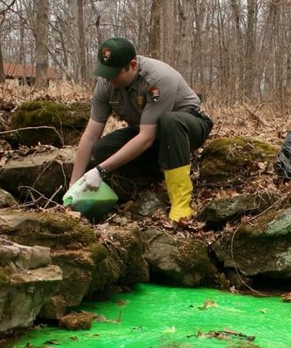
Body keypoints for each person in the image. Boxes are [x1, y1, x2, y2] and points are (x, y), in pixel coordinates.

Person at [69, 37, 213, 220]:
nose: (109, 80)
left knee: (169, 122)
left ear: (133, 65)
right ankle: (158, 170)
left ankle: (181, 203)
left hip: (186, 127)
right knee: (102, 149)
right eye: (106, 73)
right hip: (147, 132)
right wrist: (74, 184)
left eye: (114, 74)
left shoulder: (157, 79)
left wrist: (101, 170)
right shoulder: (105, 86)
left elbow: (146, 138)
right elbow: (90, 136)